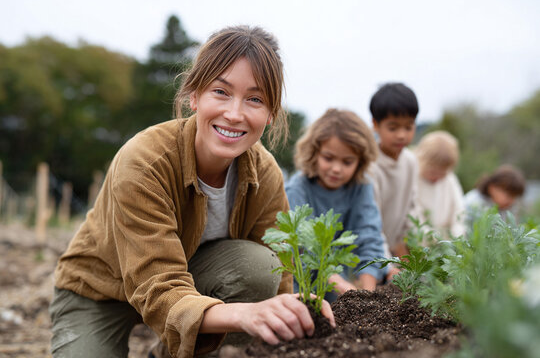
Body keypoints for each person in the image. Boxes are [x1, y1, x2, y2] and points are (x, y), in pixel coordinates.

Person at [49, 26, 335, 358]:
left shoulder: (265, 173)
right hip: (100, 290)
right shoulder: (145, 160)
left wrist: (292, 313)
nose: (235, 113)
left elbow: (280, 269)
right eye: (221, 91)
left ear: (270, 114)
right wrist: (244, 314)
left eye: (255, 99)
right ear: (194, 95)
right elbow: (156, 287)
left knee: (259, 268)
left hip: (192, 282)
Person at [285, 108, 387, 300]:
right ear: (314, 153)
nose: (336, 169)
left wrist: (367, 297)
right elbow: (303, 249)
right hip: (300, 291)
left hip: (339, 292)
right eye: (328, 158)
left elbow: (370, 238)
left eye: (347, 162)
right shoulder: (297, 189)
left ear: (361, 161)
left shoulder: (361, 187)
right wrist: (340, 284)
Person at [367, 82, 419, 258]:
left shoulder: (411, 161)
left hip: (394, 253)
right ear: (375, 124)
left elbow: (411, 211)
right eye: (393, 127)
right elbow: (370, 222)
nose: (402, 135)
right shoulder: (370, 165)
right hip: (369, 252)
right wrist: (385, 262)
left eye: (408, 127)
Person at [414, 130, 465, 239]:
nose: (436, 177)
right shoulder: (412, 179)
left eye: (442, 173)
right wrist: (434, 239)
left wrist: (457, 236)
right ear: (420, 160)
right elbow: (413, 219)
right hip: (420, 242)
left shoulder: (450, 180)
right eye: (432, 172)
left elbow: (459, 212)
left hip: (446, 243)